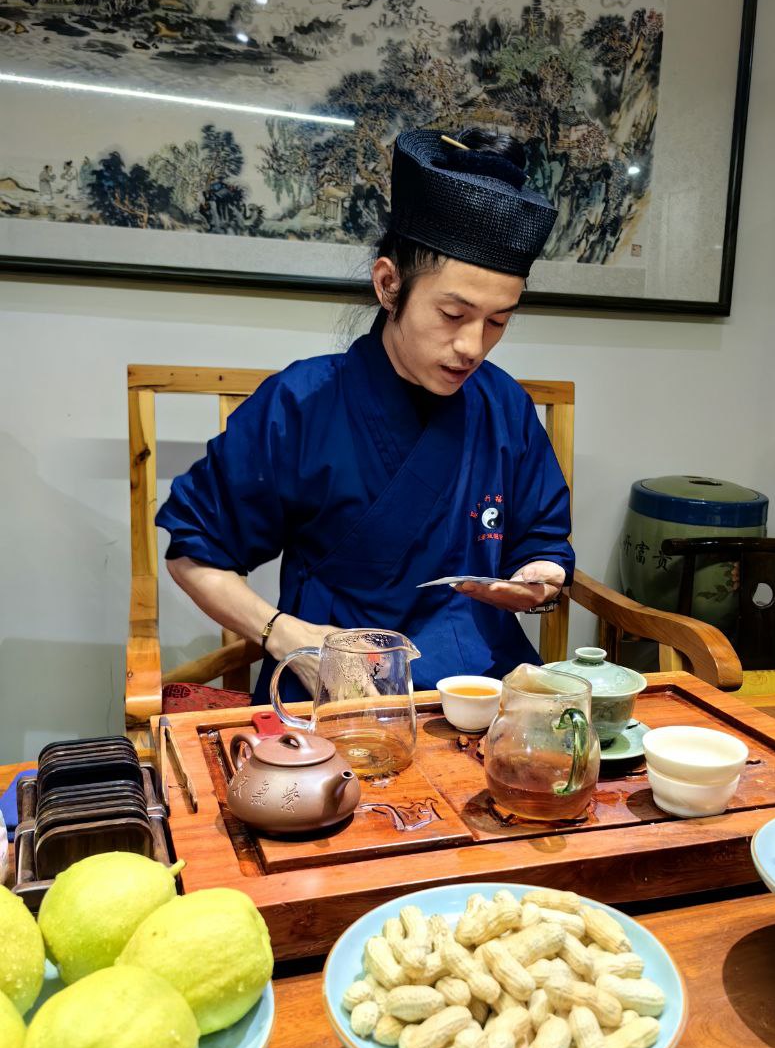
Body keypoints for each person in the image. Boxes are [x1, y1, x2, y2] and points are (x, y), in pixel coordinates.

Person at [157, 127, 574, 703]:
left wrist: (540, 577)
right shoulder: (301, 403)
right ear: (388, 285)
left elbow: (541, 540)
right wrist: (284, 635)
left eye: (498, 321)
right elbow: (192, 554)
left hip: (485, 695)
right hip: (339, 693)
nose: (473, 347)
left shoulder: (504, 406)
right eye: (453, 314)